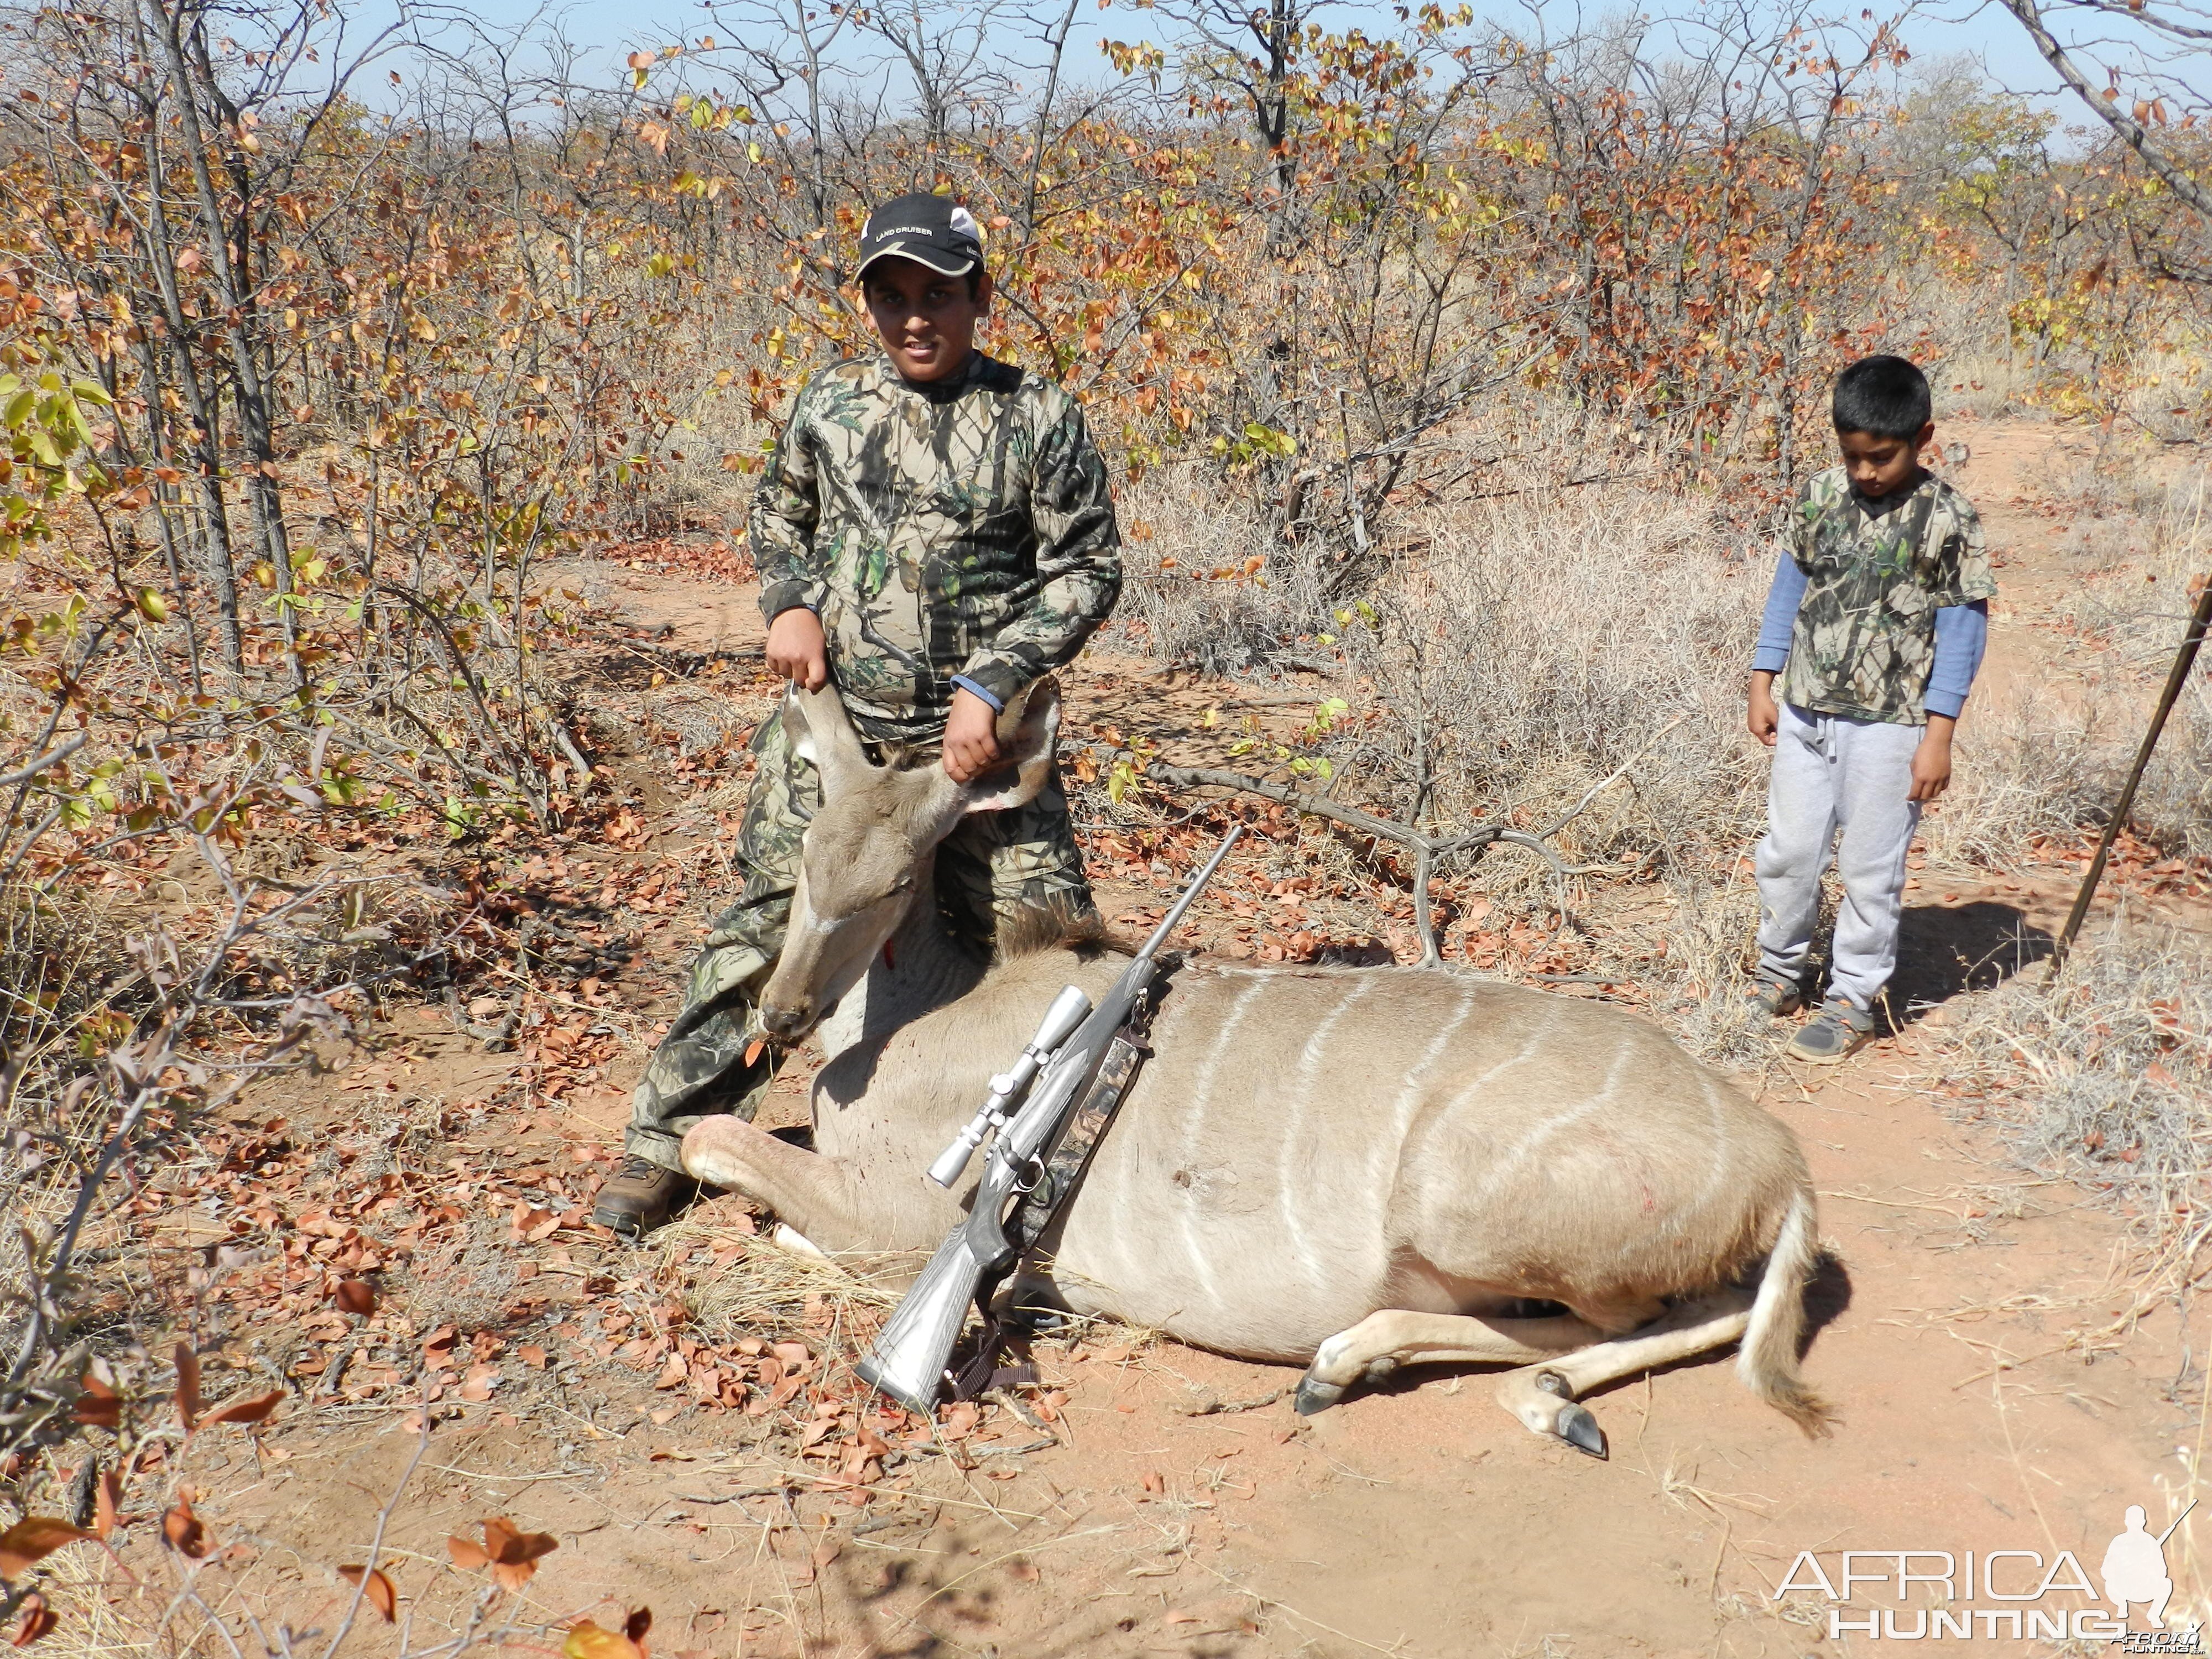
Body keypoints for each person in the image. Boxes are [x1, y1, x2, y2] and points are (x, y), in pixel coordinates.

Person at [593, 191, 1123, 1237]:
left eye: (938, 293)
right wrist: (788, 598)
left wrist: (992, 681)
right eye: (892, 297)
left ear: (979, 296)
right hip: (837, 737)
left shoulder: (1038, 417)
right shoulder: (828, 401)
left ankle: (1061, 1157)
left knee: (1050, 942)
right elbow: (776, 516)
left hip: (976, 748)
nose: (915, 317)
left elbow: (1088, 569)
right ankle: (668, 1142)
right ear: (870, 305)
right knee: (771, 925)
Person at [1745, 354, 1995, 1063]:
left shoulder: (1948, 518)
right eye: (1851, 456)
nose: (1864, 473)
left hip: (1891, 727)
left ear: (1923, 436)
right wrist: (1764, 678)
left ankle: (1853, 997)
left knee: (1867, 868)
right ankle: (1781, 970)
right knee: (1789, 852)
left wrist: (1938, 735)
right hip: (1804, 710)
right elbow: (1787, 589)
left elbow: (1963, 630)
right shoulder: (1820, 496)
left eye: (1880, 458)